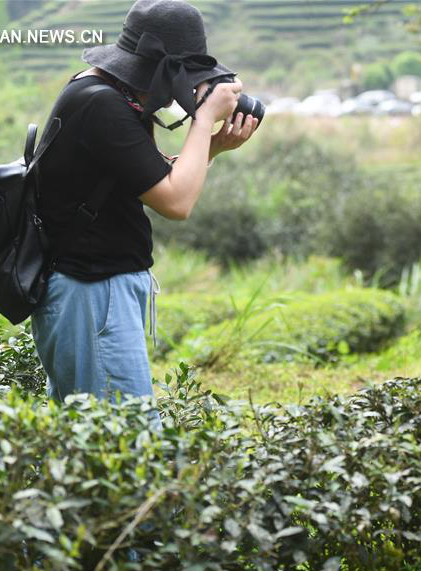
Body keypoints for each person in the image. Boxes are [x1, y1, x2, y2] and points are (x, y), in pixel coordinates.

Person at [31, 0, 258, 406]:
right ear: (163, 70)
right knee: (129, 442)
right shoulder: (102, 104)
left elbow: (154, 180)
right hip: (93, 293)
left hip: (96, 292)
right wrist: (203, 120)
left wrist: (214, 147)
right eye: (187, 77)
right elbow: (176, 203)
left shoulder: (108, 93)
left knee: (94, 443)